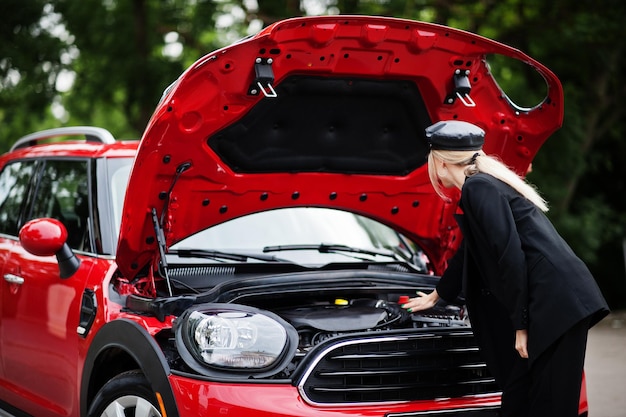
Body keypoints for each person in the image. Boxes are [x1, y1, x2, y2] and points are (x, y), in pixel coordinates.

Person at [402, 120, 609, 417]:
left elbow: (510, 257)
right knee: (519, 400)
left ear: (441, 162)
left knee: (551, 405)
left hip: (555, 304)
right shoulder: (482, 185)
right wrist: (437, 296)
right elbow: (469, 251)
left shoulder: (479, 188)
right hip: (551, 301)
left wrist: (520, 326)